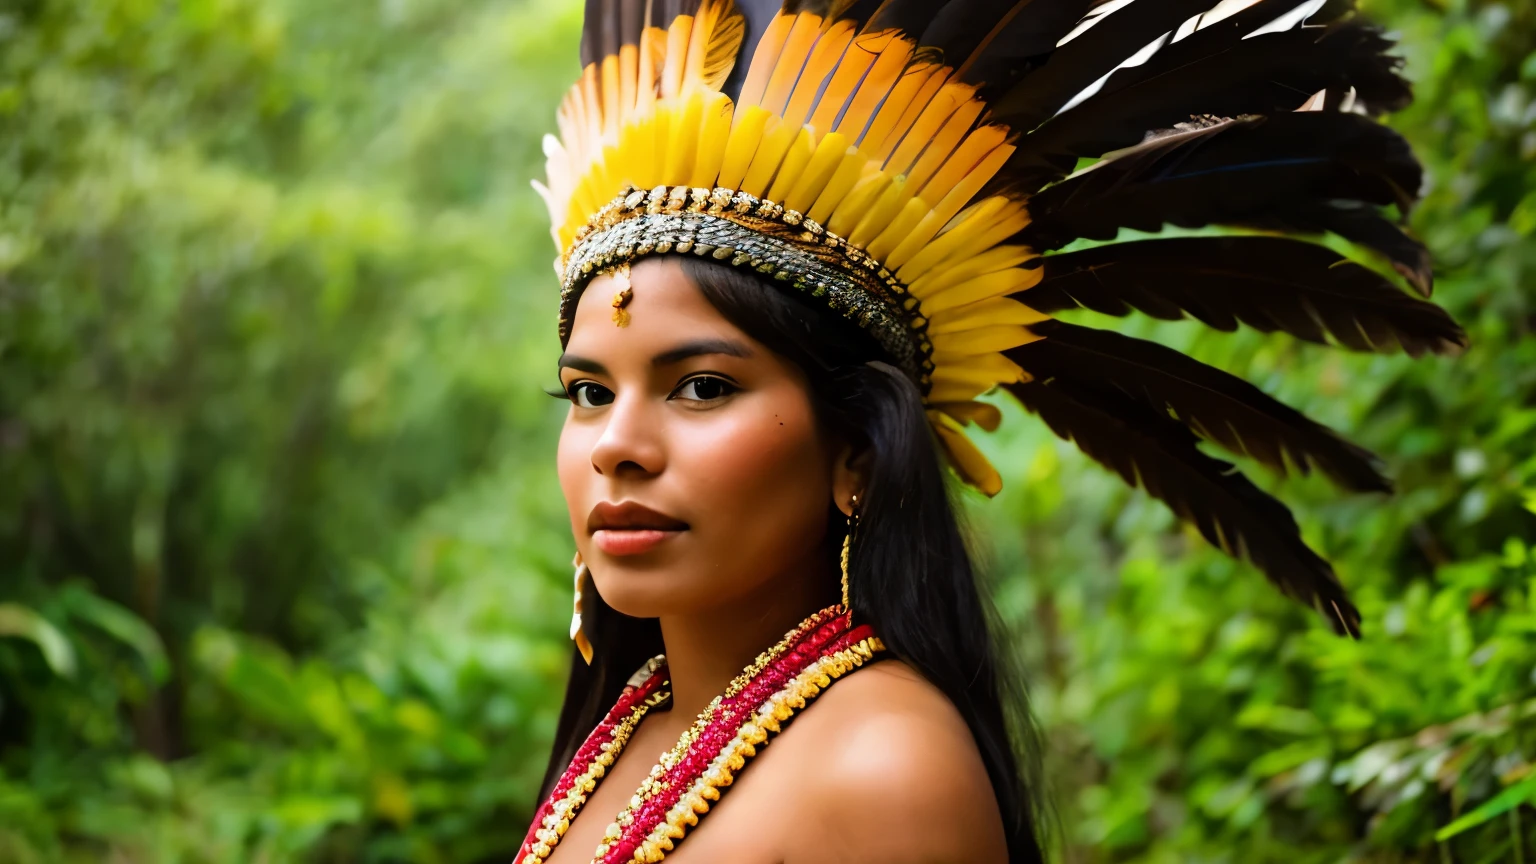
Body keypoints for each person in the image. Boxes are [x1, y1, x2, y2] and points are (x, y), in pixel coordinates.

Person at [517, 2, 1465, 862]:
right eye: (588, 394)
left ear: (857, 452)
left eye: (703, 386)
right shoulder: (629, 736)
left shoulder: (882, 770)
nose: (616, 445)